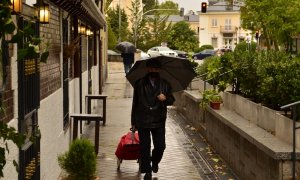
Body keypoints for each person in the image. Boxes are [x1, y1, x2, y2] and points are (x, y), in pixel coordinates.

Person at [131, 59, 175, 180]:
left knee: (160, 146)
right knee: (144, 147)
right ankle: (147, 171)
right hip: (142, 119)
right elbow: (135, 103)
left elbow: (171, 101)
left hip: (159, 120)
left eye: (156, 69)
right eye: (151, 69)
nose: (153, 71)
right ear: (147, 69)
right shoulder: (139, 83)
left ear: (159, 70)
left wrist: (165, 99)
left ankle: (155, 161)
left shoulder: (165, 84)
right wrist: (133, 122)